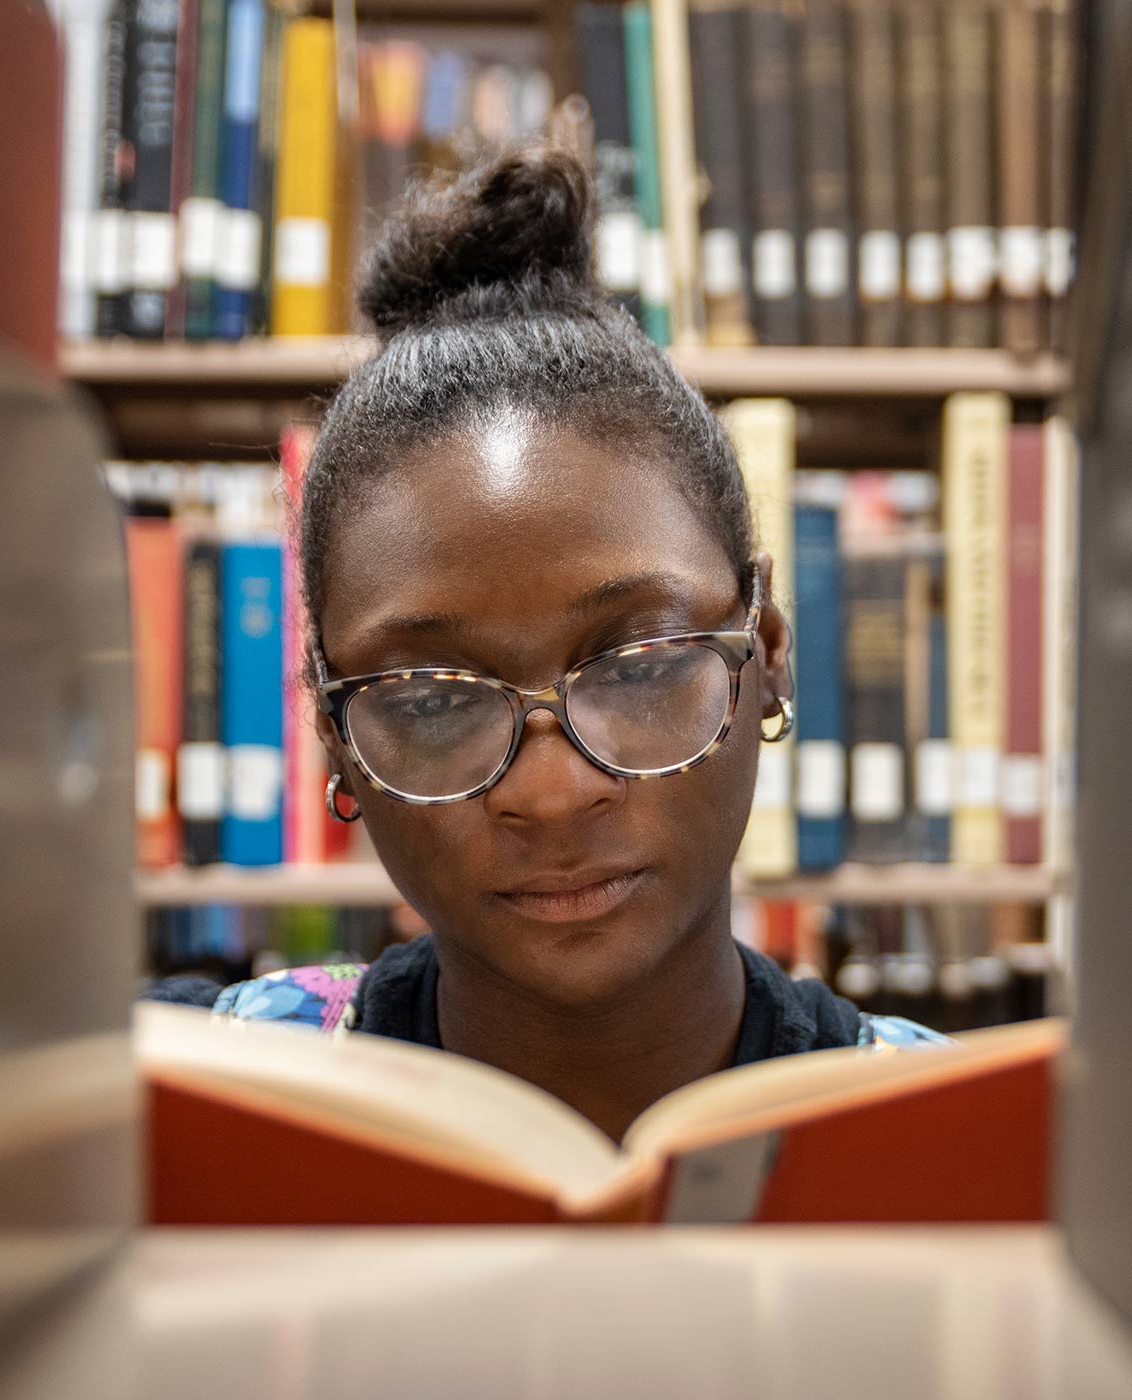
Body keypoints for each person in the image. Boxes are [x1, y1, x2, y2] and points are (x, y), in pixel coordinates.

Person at [148, 147, 943, 1142]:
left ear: (769, 649)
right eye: (432, 697)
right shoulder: (185, 1116)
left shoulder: (967, 1149)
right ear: (334, 734)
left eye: (642, 663)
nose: (553, 792)